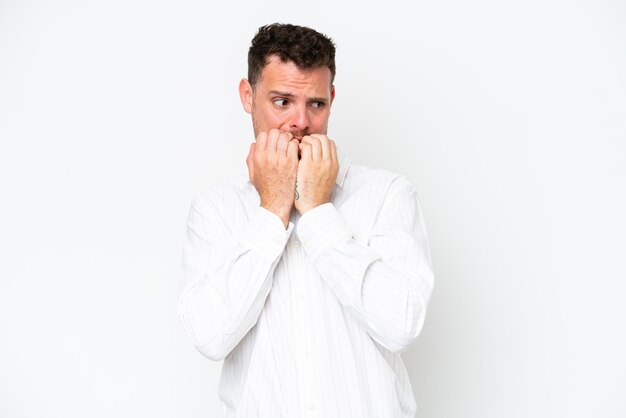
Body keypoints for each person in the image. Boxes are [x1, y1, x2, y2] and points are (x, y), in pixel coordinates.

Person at [177, 23, 434, 418]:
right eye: (282, 102)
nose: (300, 121)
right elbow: (210, 337)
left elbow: (401, 325)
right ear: (248, 96)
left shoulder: (386, 195)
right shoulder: (215, 210)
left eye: (315, 104)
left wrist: (316, 213)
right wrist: (273, 210)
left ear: (331, 99)